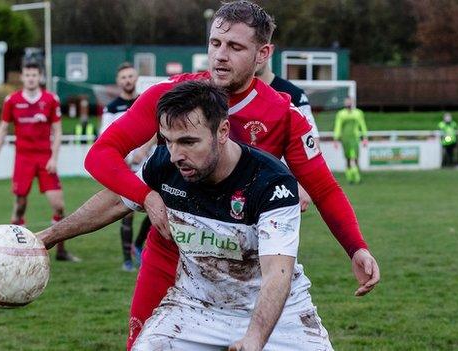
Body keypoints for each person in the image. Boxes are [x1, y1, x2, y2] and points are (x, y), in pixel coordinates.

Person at [83, 2, 380, 348]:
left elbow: (324, 189)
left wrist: (356, 247)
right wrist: (146, 196)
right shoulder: (171, 96)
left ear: (263, 53)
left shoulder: (282, 114)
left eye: (235, 47)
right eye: (215, 44)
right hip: (171, 258)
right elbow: (100, 155)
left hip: (247, 270)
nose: (220, 56)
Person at [38, 81, 333, 350]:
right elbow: (117, 202)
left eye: (188, 142)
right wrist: (48, 237)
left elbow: (277, 273)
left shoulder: (271, 183)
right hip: (195, 308)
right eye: (167, 140)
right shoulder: (167, 163)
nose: (176, 153)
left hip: (280, 316)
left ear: (222, 131)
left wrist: (255, 338)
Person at [0, 62, 79, 262]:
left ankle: (61, 250)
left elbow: (57, 131)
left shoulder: (50, 99)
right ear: (22, 77)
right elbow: (3, 129)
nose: (30, 78)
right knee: (20, 204)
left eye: (34, 75)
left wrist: (54, 158)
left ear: (40, 77)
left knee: (58, 205)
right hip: (23, 158)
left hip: (45, 158)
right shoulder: (12, 100)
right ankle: (14, 248)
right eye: (27, 74)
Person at [102, 62, 151, 271]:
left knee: (158, 206)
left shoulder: (146, 101)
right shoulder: (112, 108)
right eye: (123, 77)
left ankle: (138, 245)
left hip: (149, 165)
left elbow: (159, 128)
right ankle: (127, 260)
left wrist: (143, 149)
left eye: (130, 76)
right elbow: (105, 139)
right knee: (126, 212)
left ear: (136, 77)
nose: (127, 80)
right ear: (118, 81)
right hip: (126, 169)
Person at [255, 57, 317, 211]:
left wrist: (305, 184)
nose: (255, 57)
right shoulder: (230, 92)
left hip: (280, 185)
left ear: (269, 51)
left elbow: (311, 140)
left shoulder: (294, 94)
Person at [333, 97, 368, 184]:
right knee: (348, 158)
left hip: (354, 138)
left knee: (355, 157)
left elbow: (362, 125)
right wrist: (336, 139)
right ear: (345, 103)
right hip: (345, 139)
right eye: (347, 102)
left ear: (352, 102)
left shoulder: (358, 113)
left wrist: (365, 137)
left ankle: (357, 178)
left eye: (350, 101)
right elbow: (338, 126)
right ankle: (350, 178)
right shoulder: (341, 114)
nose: (348, 103)